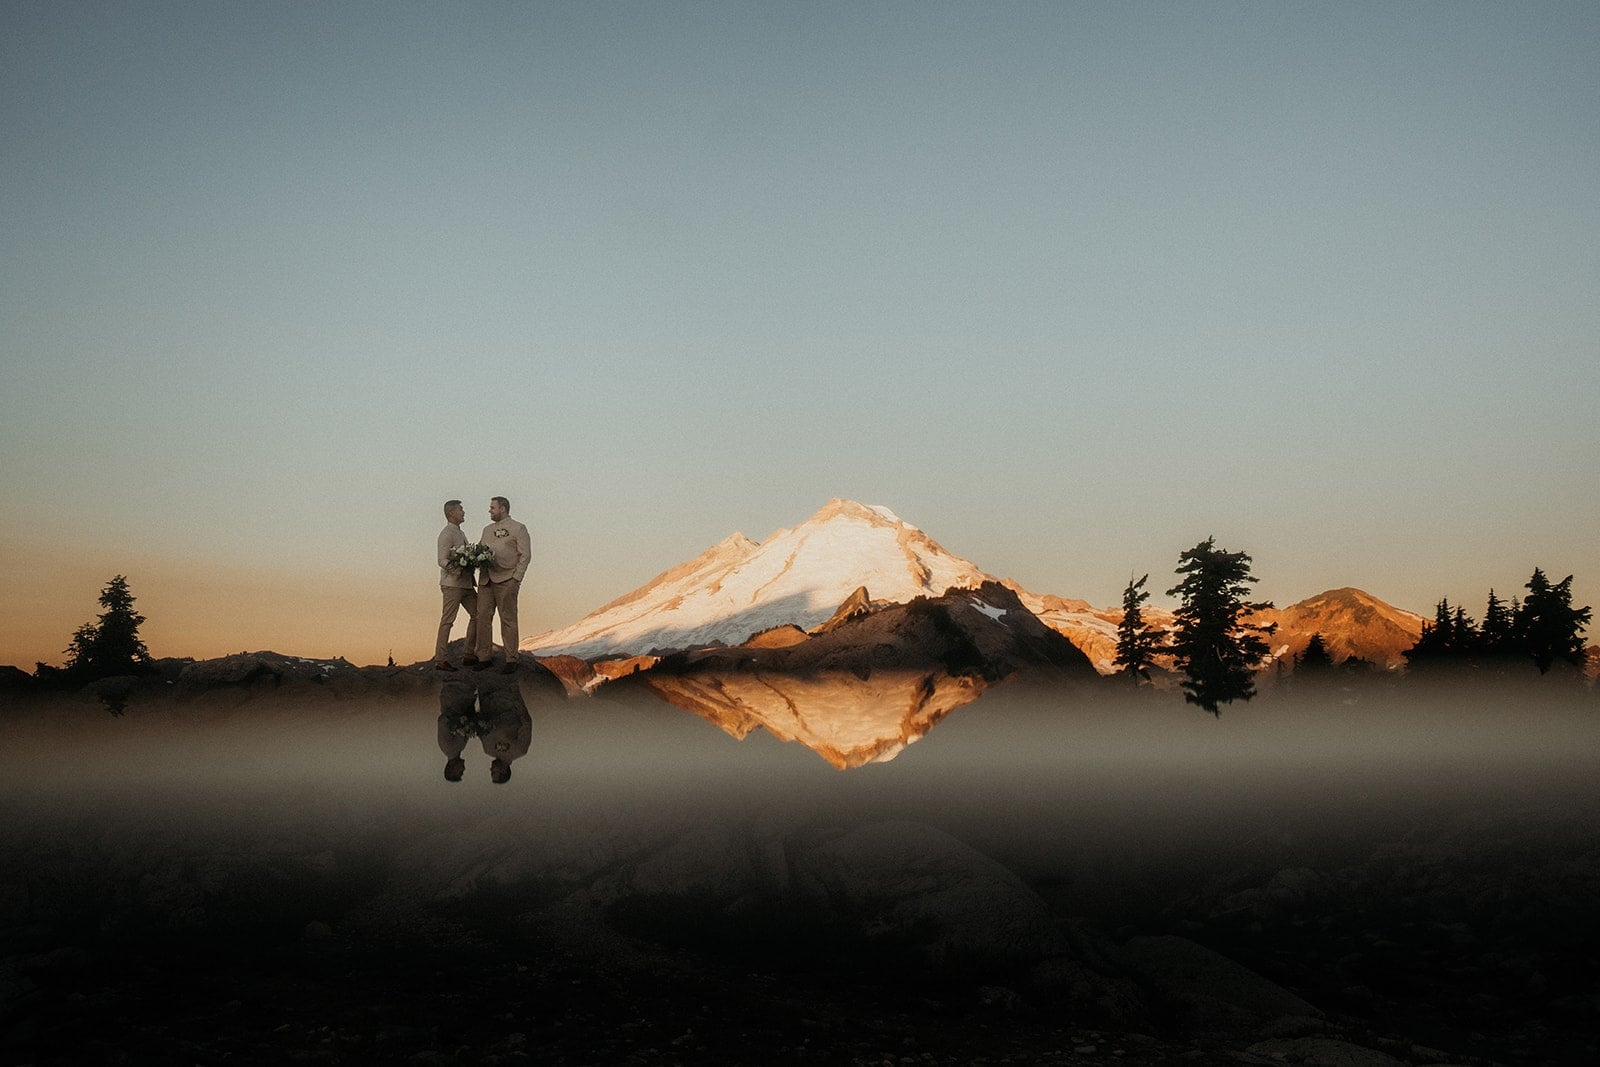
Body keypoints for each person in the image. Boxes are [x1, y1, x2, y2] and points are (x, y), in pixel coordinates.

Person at [473, 496, 531, 673]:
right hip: (486, 580)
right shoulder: (486, 530)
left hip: (507, 579)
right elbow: (480, 550)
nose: (489, 510)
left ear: (503, 508)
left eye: (492, 507)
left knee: (508, 619)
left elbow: (525, 555)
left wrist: (516, 579)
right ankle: (484, 657)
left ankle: (511, 658)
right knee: (482, 617)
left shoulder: (518, 529)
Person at [434, 499, 479, 671]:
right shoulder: (447, 534)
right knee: (448, 620)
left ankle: (468, 654)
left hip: (466, 585)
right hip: (452, 584)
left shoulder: (460, 533)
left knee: (478, 614)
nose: (464, 512)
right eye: (461, 509)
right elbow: (442, 559)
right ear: (452, 513)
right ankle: (440, 659)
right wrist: (457, 570)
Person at [478, 679, 532, 783]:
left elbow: (481, 724)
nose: (491, 769)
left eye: (491, 772)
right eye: (494, 772)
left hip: (486, 692)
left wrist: (482, 693)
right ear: (504, 771)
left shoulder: (488, 749)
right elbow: (526, 723)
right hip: (507, 694)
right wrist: (516, 700)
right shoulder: (519, 750)